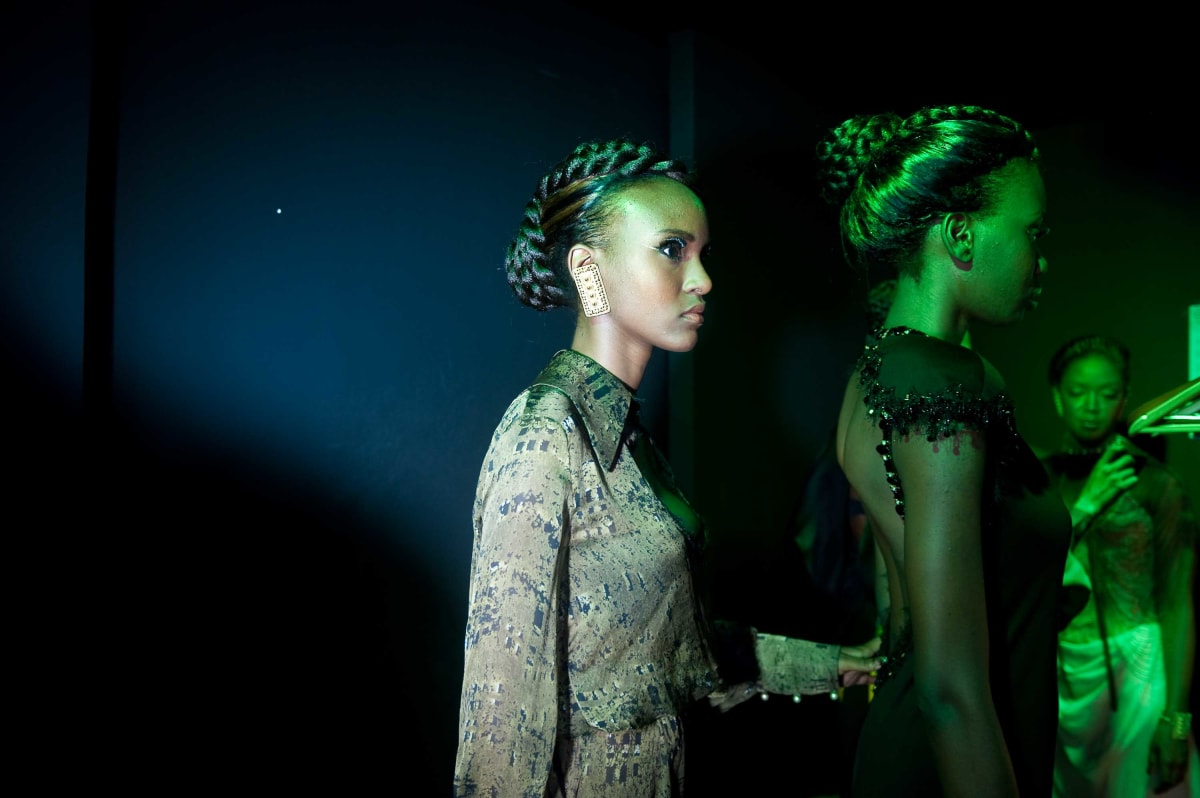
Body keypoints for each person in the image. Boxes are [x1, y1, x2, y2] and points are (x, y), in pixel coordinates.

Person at [453, 137, 882, 796]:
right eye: (672, 249)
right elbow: (499, 718)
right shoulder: (544, 437)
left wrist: (836, 664)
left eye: (703, 253)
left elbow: (679, 649)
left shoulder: (630, 439)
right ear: (588, 272)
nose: (703, 278)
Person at [815, 105, 1074, 798]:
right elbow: (953, 686)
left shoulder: (872, 374)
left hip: (906, 750)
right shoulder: (946, 383)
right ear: (960, 233)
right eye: (1033, 233)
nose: (1040, 259)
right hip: (956, 765)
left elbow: (900, 612)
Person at [1041, 334, 1198, 797]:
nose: (1092, 406)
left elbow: (1178, 603)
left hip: (1138, 674)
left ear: (1124, 399)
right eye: (1077, 392)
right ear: (1056, 395)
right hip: (1062, 677)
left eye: (1107, 394)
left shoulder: (1157, 486)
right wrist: (1085, 507)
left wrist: (1177, 719)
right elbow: (1018, 583)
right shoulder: (1036, 483)